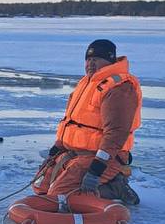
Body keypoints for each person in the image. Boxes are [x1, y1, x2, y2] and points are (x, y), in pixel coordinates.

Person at [34, 39, 142, 204]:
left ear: (110, 60)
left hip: (105, 157)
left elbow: (116, 134)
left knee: (61, 196)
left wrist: (97, 169)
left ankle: (114, 188)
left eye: (96, 59)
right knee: (40, 186)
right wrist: (56, 149)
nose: (91, 63)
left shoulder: (119, 88)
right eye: (88, 59)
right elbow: (71, 121)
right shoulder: (86, 83)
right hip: (75, 152)